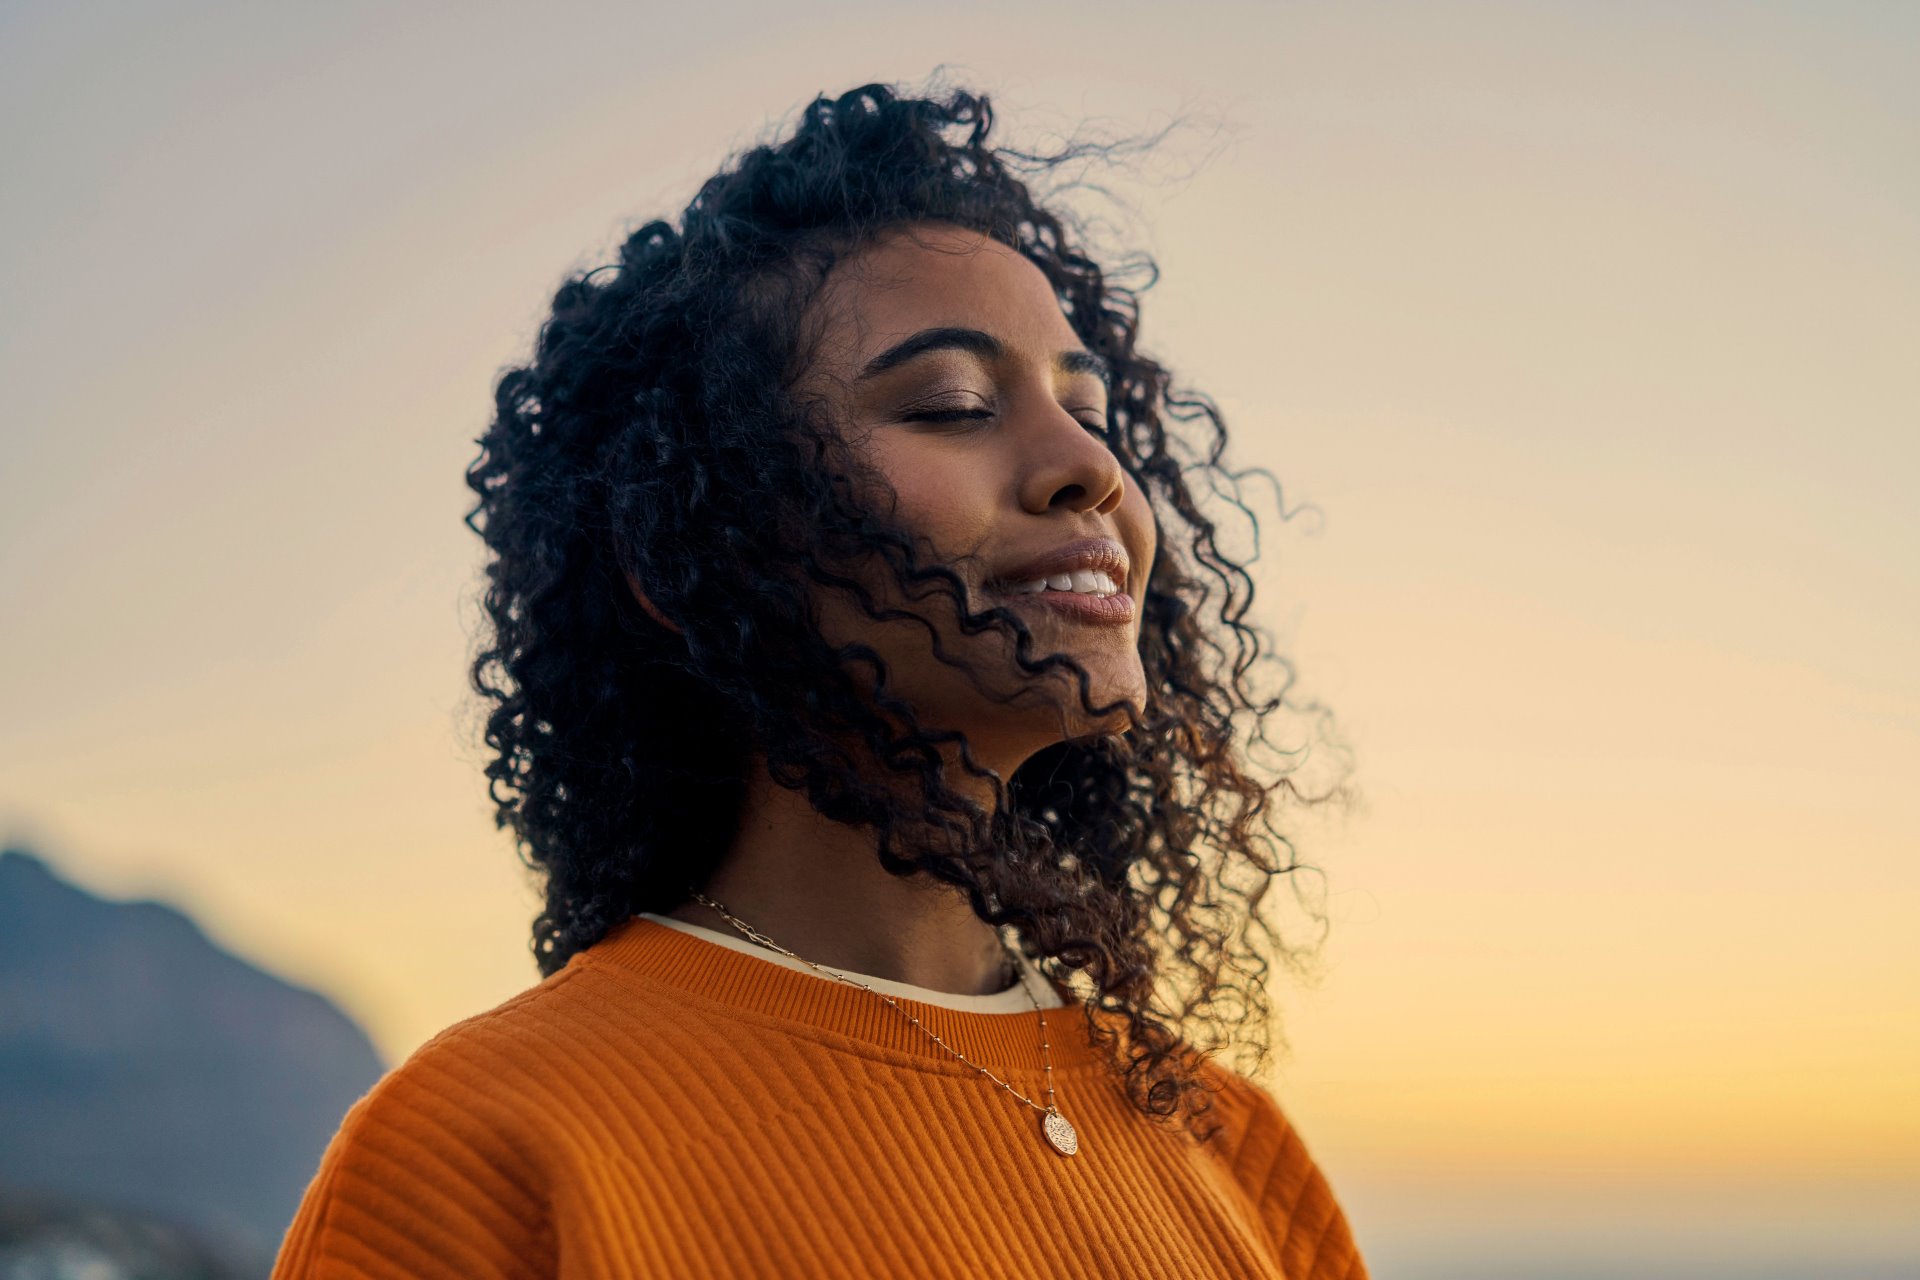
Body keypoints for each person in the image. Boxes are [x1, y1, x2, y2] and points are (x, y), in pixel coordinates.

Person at [272, 80, 1369, 1279]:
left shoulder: (1229, 1142)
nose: (1088, 468)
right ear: (695, 547)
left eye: (1091, 409)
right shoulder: (486, 1151)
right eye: (954, 403)